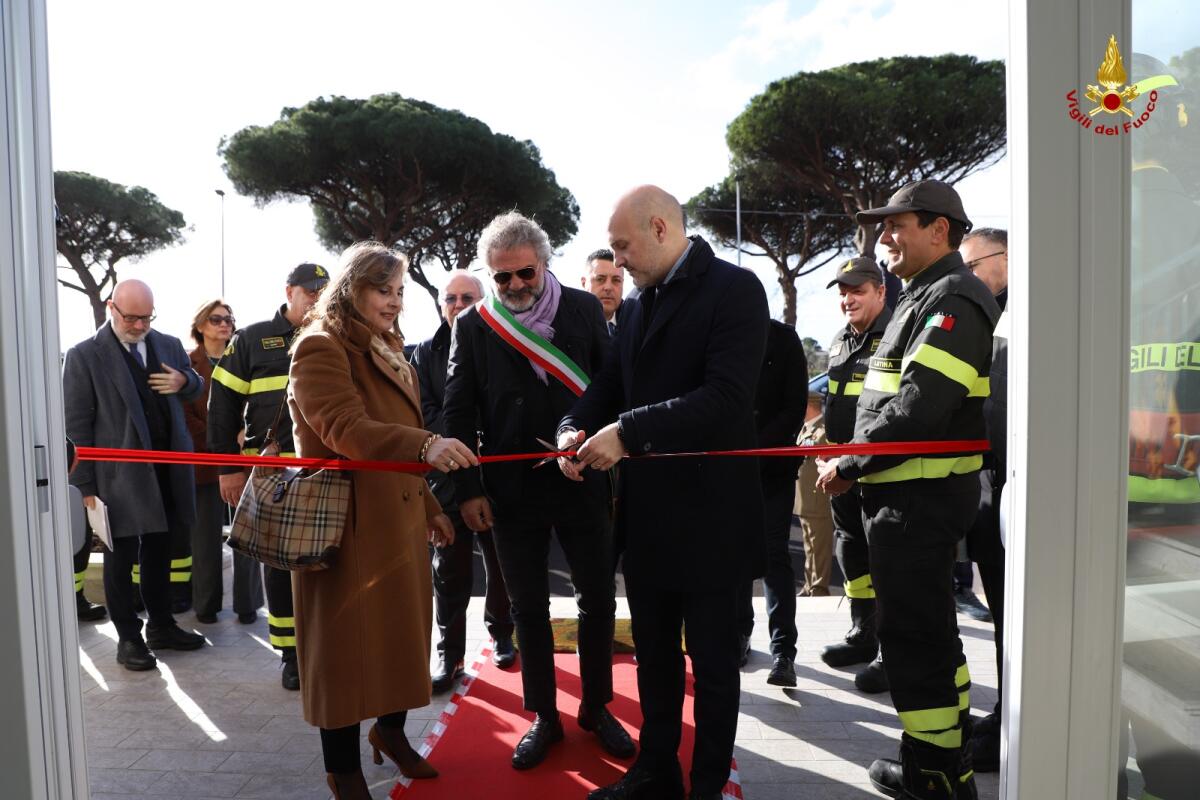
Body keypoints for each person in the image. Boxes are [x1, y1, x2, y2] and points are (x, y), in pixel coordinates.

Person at [560, 185, 769, 800]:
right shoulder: (639, 304)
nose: (616, 262)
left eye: (623, 247)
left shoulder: (735, 290)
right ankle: (656, 770)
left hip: (712, 519)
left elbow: (726, 397)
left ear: (659, 227)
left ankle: (705, 786)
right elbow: (611, 381)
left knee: (712, 665)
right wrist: (573, 427)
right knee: (653, 658)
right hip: (650, 517)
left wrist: (625, 433)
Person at [815, 180, 999, 800]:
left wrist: (851, 460)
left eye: (898, 225)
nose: (883, 237)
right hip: (904, 502)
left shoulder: (955, 297)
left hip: (915, 504)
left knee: (915, 643)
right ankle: (943, 760)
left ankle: (936, 777)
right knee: (930, 637)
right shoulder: (925, 294)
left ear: (940, 229)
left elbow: (920, 407)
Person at [442, 211, 633, 770]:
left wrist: (595, 442)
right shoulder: (474, 325)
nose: (515, 286)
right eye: (502, 278)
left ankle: (597, 707)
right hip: (510, 491)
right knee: (527, 607)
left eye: (525, 273)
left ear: (544, 265)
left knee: (597, 599)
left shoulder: (581, 307)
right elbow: (458, 410)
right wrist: (467, 489)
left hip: (583, 478)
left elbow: (609, 383)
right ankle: (543, 715)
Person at [288, 241, 474, 800]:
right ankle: (342, 770)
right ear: (352, 289)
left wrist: (432, 506)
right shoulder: (320, 346)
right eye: (381, 290)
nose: (394, 302)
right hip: (345, 531)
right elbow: (346, 428)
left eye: (398, 292)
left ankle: (390, 734)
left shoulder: (388, 346)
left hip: (395, 524)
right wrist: (427, 446)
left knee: (398, 645)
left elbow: (396, 433)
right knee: (343, 662)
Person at [63, 279, 207, 671]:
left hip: (167, 470)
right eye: (132, 318)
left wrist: (184, 381)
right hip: (117, 479)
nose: (141, 325)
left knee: (161, 551)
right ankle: (128, 639)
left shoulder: (170, 344)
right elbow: (76, 427)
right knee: (119, 557)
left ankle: (161, 626)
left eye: (147, 317)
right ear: (112, 308)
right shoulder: (84, 356)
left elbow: (196, 388)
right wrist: (87, 487)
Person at [208, 263, 328, 689]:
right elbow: (221, 407)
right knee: (278, 566)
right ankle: (291, 655)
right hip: (273, 473)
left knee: (326, 562)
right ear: (289, 291)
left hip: (325, 472)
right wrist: (228, 468)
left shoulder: (335, 335)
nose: (317, 297)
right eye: (309, 291)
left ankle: (323, 647)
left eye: (324, 291)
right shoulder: (252, 339)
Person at [410, 269, 515, 690]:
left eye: (467, 298)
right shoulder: (421, 354)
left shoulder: (503, 344)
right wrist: (461, 438)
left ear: (483, 301)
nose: (457, 306)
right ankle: (449, 655)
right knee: (448, 573)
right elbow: (425, 410)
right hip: (448, 478)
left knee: (503, 563)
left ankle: (504, 634)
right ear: (440, 305)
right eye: (450, 299)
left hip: (496, 475)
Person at [818, 256, 893, 695]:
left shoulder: (896, 337)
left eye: (858, 290)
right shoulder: (839, 340)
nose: (848, 299)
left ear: (880, 292)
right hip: (839, 467)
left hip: (877, 469)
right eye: (843, 292)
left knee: (885, 558)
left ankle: (890, 649)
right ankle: (863, 632)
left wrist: (853, 463)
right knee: (851, 552)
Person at [959, 227, 1009, 772]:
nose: (966, 276)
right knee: (1002, 617)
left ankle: (1011, 721)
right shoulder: (990, 318)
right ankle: (1007, 712)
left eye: (974, 264)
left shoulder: (1027, 316)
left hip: (1021, 490)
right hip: (990, 492)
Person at [736, 319, 807, 687]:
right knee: (734, 557)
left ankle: (783, 652)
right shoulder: (719, 333)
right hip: (728, 470)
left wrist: (755, 450)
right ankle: (739, 636)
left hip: (772, 470)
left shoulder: (783, 339)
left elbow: (794, 407)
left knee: (774, 555)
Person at [183, 299, 263, 624]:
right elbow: (185, 419)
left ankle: (247, 606)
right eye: (216, 319)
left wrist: (247, 437)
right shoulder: (187, 365)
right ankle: (206, 607)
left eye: (229, 319)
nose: (224, 325)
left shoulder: (247, 360)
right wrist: (225, 441)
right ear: (200, 325)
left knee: (246, 537)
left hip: (245, 463)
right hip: (204, 466)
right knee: (204, 540)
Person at [795, 391, 833, 598]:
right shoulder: (807, 429)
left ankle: (819, 587)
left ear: (810, 405)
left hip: (818, 499)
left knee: (819, 546)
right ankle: (810, 584)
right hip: (805, 500)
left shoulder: (823, 431)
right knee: (809, 545)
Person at [581, 248, 625, 335]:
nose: (608, 287)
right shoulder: (565, 323)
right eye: (600, 279)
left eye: (616, 280)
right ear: (584, 283)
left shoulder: (638, 323)